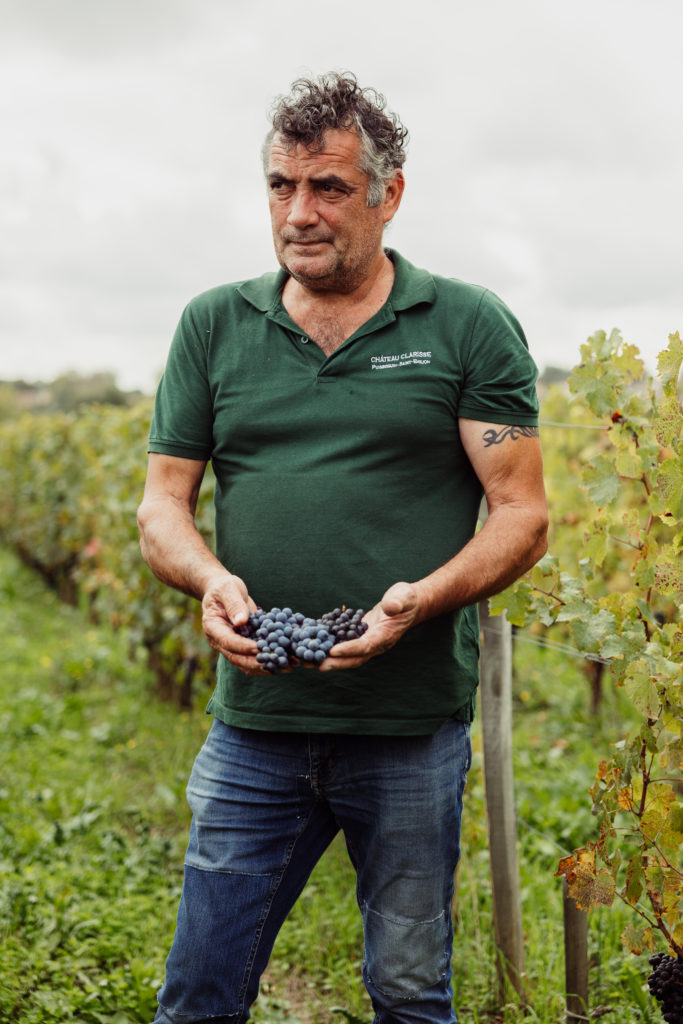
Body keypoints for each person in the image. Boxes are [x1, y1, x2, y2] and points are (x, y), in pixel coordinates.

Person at [137, 71, 548, 1024]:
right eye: (281, 186)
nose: (299, 212)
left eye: (327, 187)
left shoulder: (465, 324)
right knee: (198, 989)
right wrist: (206, 576)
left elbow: (520, 514)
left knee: (408, 991)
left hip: (407, 729)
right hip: (256, 727)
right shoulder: (214, 325)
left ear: (387, 194)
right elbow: (163, 505)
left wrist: (422, 599)